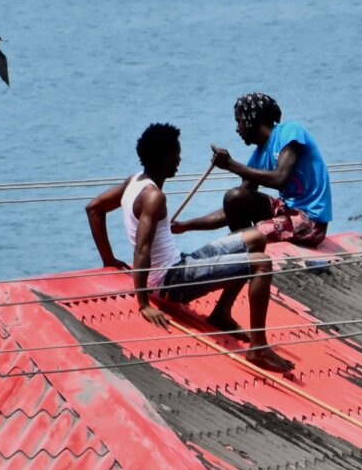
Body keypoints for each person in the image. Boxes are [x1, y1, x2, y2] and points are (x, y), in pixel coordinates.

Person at [86, 122, 295, 374]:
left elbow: (94, 208)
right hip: (173, 281)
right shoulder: (153, 197)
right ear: (164, 158)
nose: (180, 159)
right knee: (262, 262)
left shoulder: (135, 180)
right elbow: (142, 250)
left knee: (255, 237)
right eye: (176, 153)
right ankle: (258, 348)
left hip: (181, 264)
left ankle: (221, 313)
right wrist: (143, 303)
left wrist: (108, 259)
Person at [210, 92, 334, 248]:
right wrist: (185, 226)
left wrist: (231, 165)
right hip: (287, 211)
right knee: (235, 197)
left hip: (310, 223)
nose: (237, 129)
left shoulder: (290, 131)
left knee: (236, 240)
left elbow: (280, 178)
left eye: (239, 121)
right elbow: (231, 207)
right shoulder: (258, 156)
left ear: (252, 118)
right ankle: (248, 250)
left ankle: (248, 249)